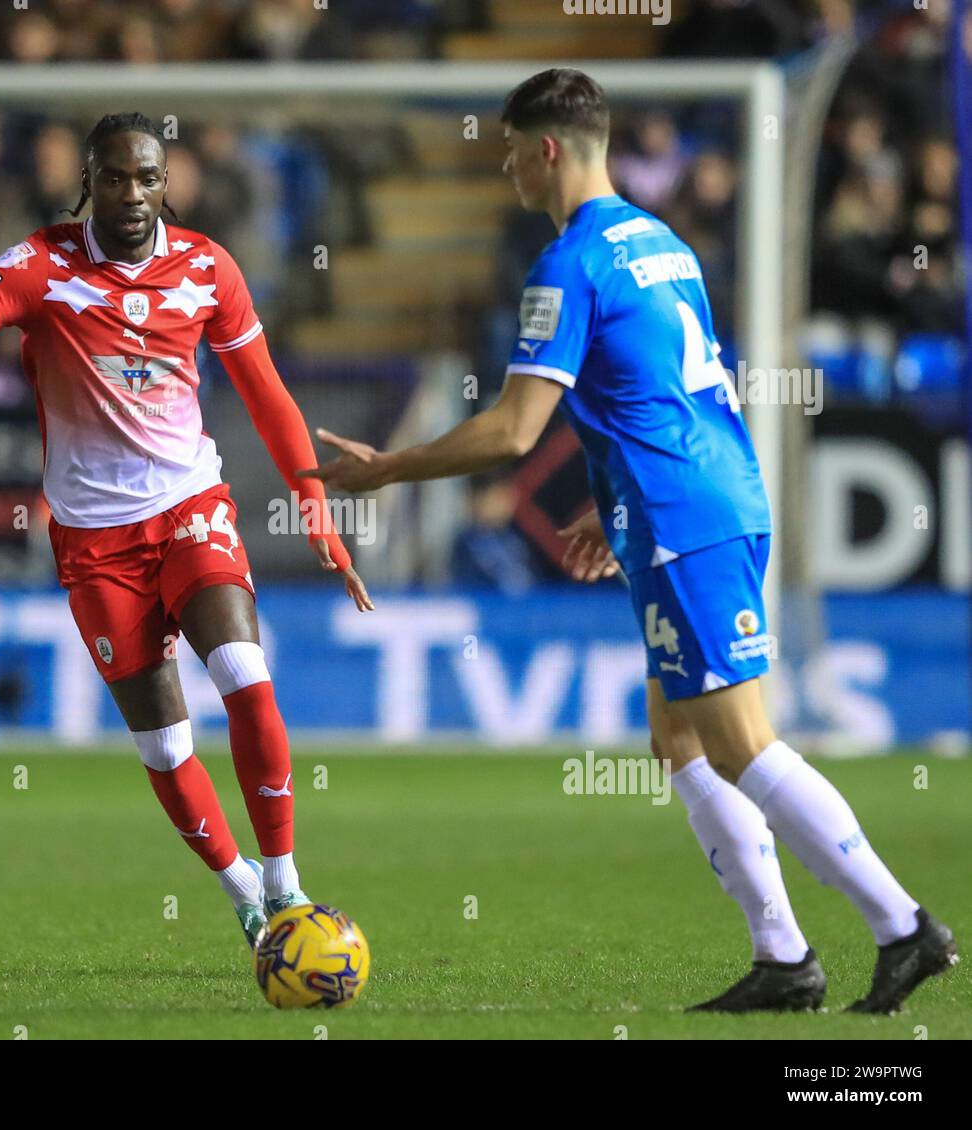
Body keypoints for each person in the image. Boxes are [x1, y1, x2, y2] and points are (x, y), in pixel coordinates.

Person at [302, 69, 957, 1013]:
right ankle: (785, 959)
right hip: (696, 498)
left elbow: (512, 432)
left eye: (512, 146)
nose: (507, 164)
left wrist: (384, 470)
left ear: (550, 149)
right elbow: (657, 386)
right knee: (679, 736)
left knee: (741, 743)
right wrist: (613, 504)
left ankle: (904, 929)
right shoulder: (662, 241)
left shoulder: (569, 264)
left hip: (685, 514)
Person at [0, 112, 372, 949]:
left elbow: (266, 395)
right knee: (163, 742)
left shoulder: (207, 268)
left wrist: (315, 502)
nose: (135, 194)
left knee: (246, 676)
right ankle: (243, 890)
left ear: (165, 183)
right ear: (90, 181)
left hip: (191, 507)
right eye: (117, 178)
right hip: (95, 540)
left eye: (149, 178)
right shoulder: (44, 263)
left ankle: (290, 888)